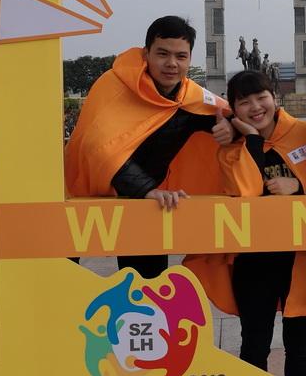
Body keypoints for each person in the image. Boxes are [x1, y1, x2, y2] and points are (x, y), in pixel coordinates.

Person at [187, 71, 306, 376]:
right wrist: (252, 138)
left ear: (274, 97)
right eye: (244, 102)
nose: (255, 107)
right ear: (234, 109)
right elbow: (247, 192)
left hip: (302, 257)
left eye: (261, 97)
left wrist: (299, 187)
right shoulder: (231, 148)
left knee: (299, 342)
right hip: (254, 258)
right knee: (255, 341)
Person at [64, 16, 234, 277]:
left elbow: (236, 115)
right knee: (63, 279)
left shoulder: (190, 97)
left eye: (181, 56)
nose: (172, 64)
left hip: (147, 205)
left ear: (189, 59)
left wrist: (230, 129)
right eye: (162, 54)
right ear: (146, 54)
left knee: (146, 285)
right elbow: (98, 147)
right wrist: (146, 190)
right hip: (81, 196)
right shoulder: (114, 85)